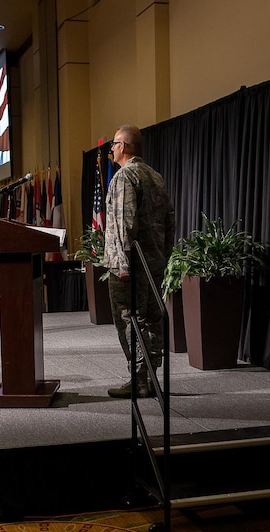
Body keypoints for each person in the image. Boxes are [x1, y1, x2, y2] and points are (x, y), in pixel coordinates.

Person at [102, 124, 175, 398]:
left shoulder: (125, 177)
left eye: (113, 144)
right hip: (153, 263)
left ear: (123, 146)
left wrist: (122, 265)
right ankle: (151, 377)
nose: (111, 149)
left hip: (131, 267)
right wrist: (163, 256)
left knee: (129, 318)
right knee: (152, 319)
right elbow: (170, 221)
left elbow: (124, 223)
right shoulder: (155, 177)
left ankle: (139, 379)